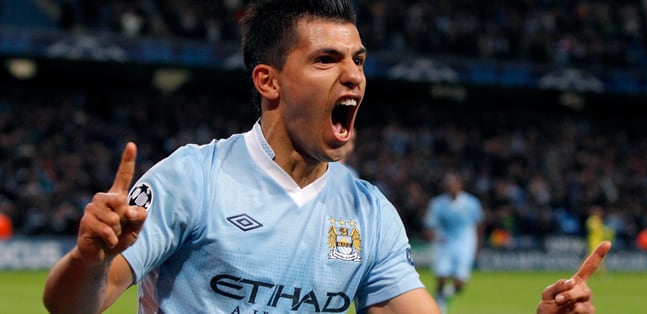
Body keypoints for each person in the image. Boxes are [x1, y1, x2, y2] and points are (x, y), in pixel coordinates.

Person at [42, 1, 611, 313]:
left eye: (359, 59)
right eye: (327, 59)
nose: (354, 76)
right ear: (269, 81)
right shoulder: (194, 178)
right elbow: (70, 307)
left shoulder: (369, 213)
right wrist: (90, 258)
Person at [423, 171, 483, 312]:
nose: (451, 187)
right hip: (444, 245)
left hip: (465, 244)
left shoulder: (471, 203)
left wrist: (478, 248)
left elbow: (479, 225)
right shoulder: (438, 204)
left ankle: (445, 295)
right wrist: (433, 237)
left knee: (459, 284)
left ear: (460, 185)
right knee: (441, 277)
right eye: (448, 185)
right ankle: (439, 307)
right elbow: (429, 225)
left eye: (454, 184)